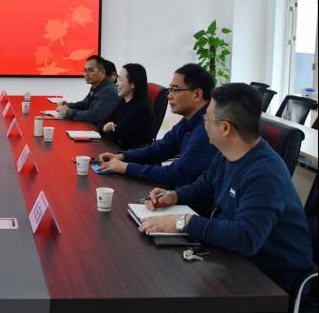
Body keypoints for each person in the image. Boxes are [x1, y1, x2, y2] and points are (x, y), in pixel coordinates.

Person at [139, 83, 314, 294]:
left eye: (207, 118)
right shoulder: (228, 154)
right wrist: (174, 196)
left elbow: (246, 236)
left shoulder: (264, 173)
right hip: (234, 262)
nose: (203, 124)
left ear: (225, 128)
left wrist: (183, 222)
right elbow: (204, 187)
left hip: (273, 285)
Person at [98, 63, 218, 188]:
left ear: (197, 94)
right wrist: (123, 156)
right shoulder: (188, 121)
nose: (169, 96)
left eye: (175, 90)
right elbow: (160, 149)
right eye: (170, 89)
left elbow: (176, 173)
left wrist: (126, 167)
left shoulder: (207, 129)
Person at [97, 63, 152, 150]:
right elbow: (101, 122)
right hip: (117, 149)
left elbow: (113, 135)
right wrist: (105, 127)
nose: (116, 83)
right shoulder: (123, 101)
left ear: (133, 84)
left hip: (130, 154)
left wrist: (106, 129)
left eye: (120, 80)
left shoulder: (140, 109)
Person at [56, 55, 120, 125]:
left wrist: (68, 112)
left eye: (90, 71)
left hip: (98, 130)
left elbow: (95, 115)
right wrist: (68, 105)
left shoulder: (109, 90)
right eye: (85, 71)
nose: (86, 74)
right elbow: (84, 104)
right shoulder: (96, 86)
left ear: (102, 71)